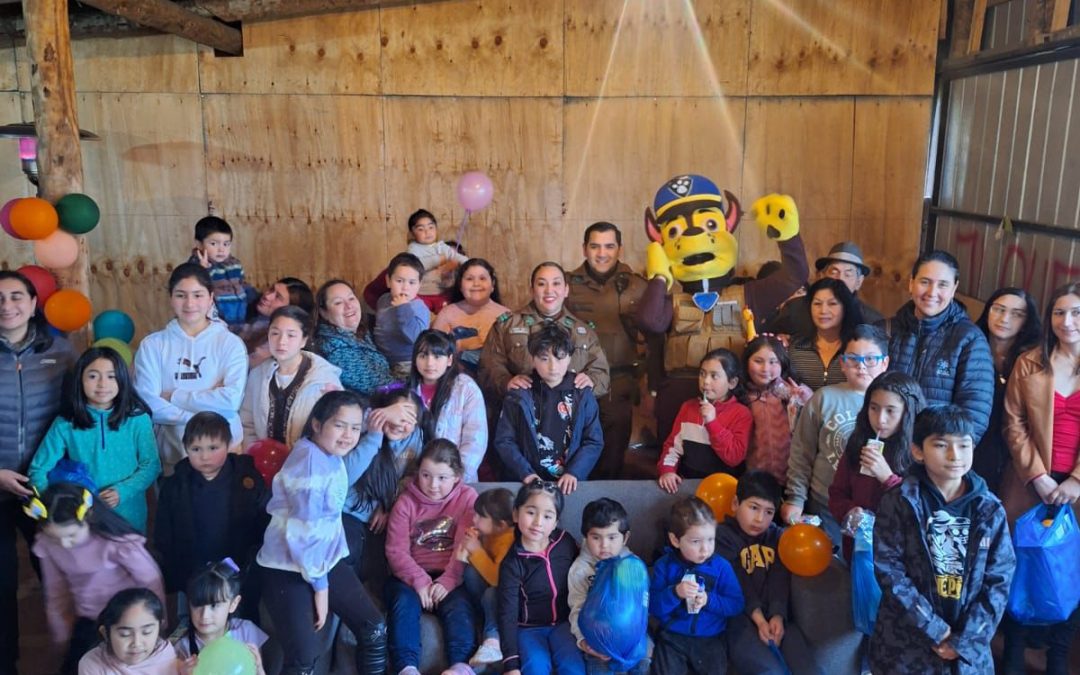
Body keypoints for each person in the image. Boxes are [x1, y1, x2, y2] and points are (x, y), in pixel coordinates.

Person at [870, 405, 1014, 674]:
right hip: (906, 643)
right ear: (917, 451)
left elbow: (1000, 578)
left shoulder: (989, 508)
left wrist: (965, 640)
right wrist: (935, 628)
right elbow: (889, 571)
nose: (954, 455)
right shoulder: (899, 501)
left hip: (966, 647)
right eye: (941, 445)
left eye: (963, 445)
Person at [256, 390, 388, 675]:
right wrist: (321, 588)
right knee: (304, 658)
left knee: (374, 627)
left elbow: (327, 524)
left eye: (355, 428)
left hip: (322, 559)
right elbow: (305, 533)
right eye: (340, 425)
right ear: (317, 424)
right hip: (287, 565)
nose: (348, 435)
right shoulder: (309, 463)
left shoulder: (329, 455)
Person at [1001, 283, 1080, 673]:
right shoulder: (1030, 361)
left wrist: (1076, 480)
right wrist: (1038, 476)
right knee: (1022, 566)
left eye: (1077, 313)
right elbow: (1013, 423)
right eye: (1059, 312)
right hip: (1030, 481)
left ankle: (1058, 656)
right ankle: (1013, 653)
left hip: (1077, 489)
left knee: (1072, 570)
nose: (1067, 322)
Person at [0, 270, 75, 674]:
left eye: (16, 296)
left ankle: (73, 660)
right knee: (1, 585)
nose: (7, 305)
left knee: (59, 578)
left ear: (32, 304)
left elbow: (76, 414)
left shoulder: (60, 352)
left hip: (44, 489)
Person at [28, 482, 165, 673]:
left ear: (88, 518)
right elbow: (56, 593)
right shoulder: (48, 545)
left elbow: (150, 579)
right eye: (56, 538)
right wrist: (61, 635)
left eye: (72, 535)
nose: (65, 544)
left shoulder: (116, 542)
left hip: (126, 621)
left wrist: (158, 619)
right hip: (89, 621)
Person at [29, 346, 160, 532]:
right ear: (80, 379)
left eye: (111, 376)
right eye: (92, 376)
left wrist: (122, 491)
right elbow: (38, 469)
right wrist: (58, 505)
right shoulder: (65, 423)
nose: (102, 384)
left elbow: (151, 465)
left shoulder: (137, 419)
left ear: (122, 380)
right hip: (83, 522)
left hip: (128, 517)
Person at [782, 325, 891, 548]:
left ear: (885, 363)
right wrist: (795, 498)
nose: (861, 367)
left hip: (876, 509)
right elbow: (801, 453)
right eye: (853, 359)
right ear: (842, 363)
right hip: (825, 504)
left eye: (870, 359)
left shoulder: (893, 404)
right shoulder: (824, 399)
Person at [133, 263, 247, 475]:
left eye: (198, 295)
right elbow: (148, 402)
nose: (190, 303)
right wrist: (202, 414)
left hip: (226, 455)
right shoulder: (153, 345)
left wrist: (174, 396)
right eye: (181, 295)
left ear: (211, 298)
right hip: (172, 459)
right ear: (170, 298)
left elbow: (230, 400)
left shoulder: (230, 344)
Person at [154, 412, 269, 620]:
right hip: (193, 572)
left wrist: (253, 564)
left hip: (238, 569)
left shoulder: (247, 480)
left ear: (228, 444)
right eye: (196, 449)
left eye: (213, 448)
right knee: (198, 619)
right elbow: (164, 534)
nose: (205, 457)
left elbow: (263, 526)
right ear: (185, 448)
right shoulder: (175, 486)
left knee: (242, 620)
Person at [385, 439, 478, 675]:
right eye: (426, 475)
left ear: (457, 476)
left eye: (442, 478)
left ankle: (460, 667)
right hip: (409, 575)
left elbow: (463, 547)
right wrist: (420, 581)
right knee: (403, 605)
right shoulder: (406, 502)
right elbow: (396, 551)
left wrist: (447, 581)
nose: (432, 485)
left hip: (450, 574)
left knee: (460, 607)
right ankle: (406, 668)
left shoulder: (467, 499)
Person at [565, 222, 650, 478]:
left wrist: (650, 386)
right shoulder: (566, 283)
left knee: (612, 460)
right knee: (572, 457)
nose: (602, 253)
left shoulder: (638, 286)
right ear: (584, 249)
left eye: (609, 246)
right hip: (575, 384)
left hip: (619, 384)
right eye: (595, 246)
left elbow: (655, 337)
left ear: (619, 249)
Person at [715, 471, 821, 675]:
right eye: (753, 508)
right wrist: (759, 620)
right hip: (739, 621)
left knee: (809, 669)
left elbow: (779, 578)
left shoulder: (777, 537)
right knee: (769, 671)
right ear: (736, 503)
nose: (759, 519)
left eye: (768, 512)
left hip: (777, 618)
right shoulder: (721, 536)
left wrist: (778, 615)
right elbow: (737, 583)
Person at [885, 250, 994, 442]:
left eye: (942, 285)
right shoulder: (886, 330)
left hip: (934, 457)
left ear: (954, 289)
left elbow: (974, 414)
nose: (932, 292)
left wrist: (941, 455)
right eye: (924, 282)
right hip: (883, 449)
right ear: (911, 283)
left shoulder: (969, 339)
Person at [479, 262, 611, 410]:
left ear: (566, 290)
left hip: (569, 417)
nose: (549, 290)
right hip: (519, 413)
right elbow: (488, 366)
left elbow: (602, 373)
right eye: (542, 284)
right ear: (532, 289)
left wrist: (591, 381)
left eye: (556, 284)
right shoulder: (506, 326)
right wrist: (506, 382)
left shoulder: (583, 332)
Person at [494, 323, 603, 495]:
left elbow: (593, 441)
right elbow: (504, 440)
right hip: (527, 481)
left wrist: (575, 472)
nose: (553, 367)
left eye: (559, 358)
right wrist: (526, 473)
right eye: (544, 359)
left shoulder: (582, 394)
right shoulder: (519, 394)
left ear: (569, 358)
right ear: (533, 359)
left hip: (569, 483)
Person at [828, 372, 925, 561]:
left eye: (891, 410)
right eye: (874, 408)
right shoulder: (858, 444)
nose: (880, 419)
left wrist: (887, 478)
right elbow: (837, 494)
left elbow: (918, 511)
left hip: (900, 559)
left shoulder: (920, 452)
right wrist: (849, 511)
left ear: (908, 411)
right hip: (859, 554)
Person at [497, 479, 585, 675]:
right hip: (529, 629)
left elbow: (585, 569)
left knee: (573, 668)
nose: (538, 522)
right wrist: (511, 664)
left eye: (547, 516)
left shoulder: (565, 542)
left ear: (555, 523)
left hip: (564, 624)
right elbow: (507, 613)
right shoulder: (512, 563)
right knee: (536, 668)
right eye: (530, 512)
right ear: (515, 514)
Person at [649, 496, 744, 675]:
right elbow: (653, 606)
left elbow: (736, 604)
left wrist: (709, 600)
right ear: (675, 540)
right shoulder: (664, 565)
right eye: (696, 541)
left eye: (710, 540)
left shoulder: (721, 566)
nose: (705, 549)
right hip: (672, 636)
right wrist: (675, 593)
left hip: (710, 637)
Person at [342, 389, 429, 580]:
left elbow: (411, 479)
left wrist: (390, 506)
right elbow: (343, 478)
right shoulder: (363, 427)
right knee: (349, 550)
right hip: (349, 511)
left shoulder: (417, 438)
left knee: (380, 567)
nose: (400, 424)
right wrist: (374, 435)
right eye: (396, 415)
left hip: (385, 514)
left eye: (408, 419)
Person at [240, 306, 342, 450]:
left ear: (304, 340)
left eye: (291, 335)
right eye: (275, 333)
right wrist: (254, 453)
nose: (281, 341)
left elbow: (337, 423)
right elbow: (247, 423)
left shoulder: (323, 378)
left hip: (308, 462)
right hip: (263, 462)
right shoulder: (257, 376)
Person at [568, 498, 649, 675]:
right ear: (586, 537)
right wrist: (583, 641)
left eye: (612, 537)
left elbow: (641, 606)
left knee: (644, 661)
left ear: (625, 537)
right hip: (598, 644)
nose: (604, 545)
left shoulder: (632, 565)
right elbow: (577, 607)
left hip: (632, 641)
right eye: (596, 537)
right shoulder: (579, 570)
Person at [972, 287, 1040, 494]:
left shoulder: (1033, 362)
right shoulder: (970, 346)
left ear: (1026, 322)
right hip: (974, 444)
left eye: (1016, 314)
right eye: (999, 309)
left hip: (1013, 452)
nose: (1004, 318)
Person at [657, 348, 752, 492]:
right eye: (702, 374)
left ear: (732, 383)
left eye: (714, 376)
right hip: (687, 485)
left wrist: (712, 423)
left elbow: (734, 457)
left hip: (724, 488)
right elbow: (673, 447)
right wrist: (667, 471)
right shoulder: (688, 408)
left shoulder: (741, 414)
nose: (705, 381)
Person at [407, 329, 487, 482]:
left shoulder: (466, 388)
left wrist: (455, 477)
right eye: (423, 356)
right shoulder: (406, 391)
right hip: (415, 478)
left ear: (449, 360)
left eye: (437, 356)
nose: (430, 363)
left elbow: (476, 440)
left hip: (456, 480)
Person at [764, 241, 884, 340]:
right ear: (822, 275)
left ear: (859, 281)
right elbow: (764, 339)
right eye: (834, 272)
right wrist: (777, 340)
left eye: (848, 274)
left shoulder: (871, 321)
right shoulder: (795, 309)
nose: (840, 279)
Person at [455, 487, 515, 669]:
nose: (474, 519)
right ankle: (484, 614)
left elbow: (499, 580)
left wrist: (476, 550)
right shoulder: (491, 533)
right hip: (490, 590)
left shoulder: (510, 539)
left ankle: (492, 639)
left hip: (505, 594)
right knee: (470, 573)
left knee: (491, 594)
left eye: (481, 517)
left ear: (501, 524)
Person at [174, 560, 271, 672]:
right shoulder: (183, 646)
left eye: (214, 605)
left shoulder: (246, 631)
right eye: (197, 605)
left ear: (233, 603)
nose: (205, 615)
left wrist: (259, 668)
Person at [742, 336, 812, 485]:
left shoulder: (793, 392)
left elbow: (813, 427)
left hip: (792, 478)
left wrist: (803, 399)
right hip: (754, 478)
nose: (765, 369)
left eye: (773, 362)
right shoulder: (742, 396)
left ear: (783, 364)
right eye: (758, 361)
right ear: (747, 362)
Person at [310, 279, 393, 397]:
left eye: (351, 298)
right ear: (324, 313)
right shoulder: (334, 348)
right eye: (338, 303)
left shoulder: (363, 334)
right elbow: (380, 387)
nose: (349, 306)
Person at [433, 258, 510, 372]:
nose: (476, 284)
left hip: (496, 381)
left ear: (492, 284)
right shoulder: (447, 314)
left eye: (482, 278)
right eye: (469, 279)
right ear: (460, 285)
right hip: (456, 380)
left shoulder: (506, 315)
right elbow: (435, 353)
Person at [77, 588, 177, 675]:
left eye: (147, 632)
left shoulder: (166, 656)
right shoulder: (92, 664)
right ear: (106, 633)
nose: (137, 643)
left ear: (159, 628)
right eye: (125, 634)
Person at [787, 278, 864, 391]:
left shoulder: (857, 349)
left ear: (845, 307)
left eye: (832, 303)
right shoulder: (795, 347)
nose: (823, 310)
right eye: (817, 303)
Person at [374, 252, 431, 379]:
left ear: (419, 285)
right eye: (399, 281)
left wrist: (403, 308)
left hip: (408, 362)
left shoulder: (419, 308)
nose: (405, 287)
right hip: (382, 358)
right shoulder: (383, 300)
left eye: (412, 283)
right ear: (388, 281)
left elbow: (416, 338)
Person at [188, 215, 251, 328]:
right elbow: (194, 290)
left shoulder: (235, 264)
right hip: (215, 323)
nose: (221, 249)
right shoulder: (195, 266)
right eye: (214, 244)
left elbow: (242, 284)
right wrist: (202, 270)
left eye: (226, 244)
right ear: (199, 244)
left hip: (239, 318)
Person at [239, 277, 315, 369]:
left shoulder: (278, 338)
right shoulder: (251, 316)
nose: (267, 296)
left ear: (290, 309)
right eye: (271, 289)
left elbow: (247, 365)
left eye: (278, 297)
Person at [405, 209, 469, 308]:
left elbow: (457, 256)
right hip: (420, 294)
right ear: (412, 233)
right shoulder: (413, 248)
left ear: (436, 229)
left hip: (441, 294)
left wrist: (469, 264)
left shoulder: (442, 246)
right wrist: (440, 259)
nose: (427, 232)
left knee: (449, 312)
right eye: (421, 229)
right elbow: (417, 265)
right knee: (417, 311)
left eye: (431, 227)